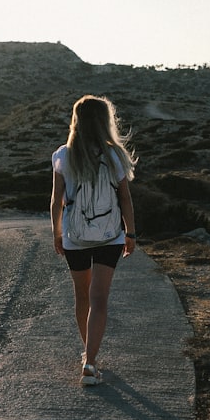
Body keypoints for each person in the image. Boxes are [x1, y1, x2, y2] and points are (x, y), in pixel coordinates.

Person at [50, 95, 137, 386]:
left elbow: (56, 201)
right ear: (104, 122)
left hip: (75, 237)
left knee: (82, 297)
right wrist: (131, 233)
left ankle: (89, 355)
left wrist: (57, 234)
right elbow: (124, 198)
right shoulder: (115, 156)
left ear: (76, 120)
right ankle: (90, 362)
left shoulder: (62, 155)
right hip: (110, 236)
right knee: (99, 300)